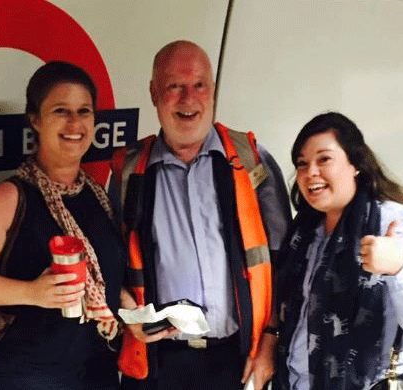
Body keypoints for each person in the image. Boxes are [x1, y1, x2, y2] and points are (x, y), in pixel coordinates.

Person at [110, 40, 291, 390]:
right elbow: (112, 261)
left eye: (198, 85)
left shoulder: (251, 159)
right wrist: (125, 309)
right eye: (174, 86)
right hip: (158, 364)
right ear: (153, 93)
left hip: (236, 361)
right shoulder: (128, 170)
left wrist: (271, 341)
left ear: (212, 90)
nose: (187, 99)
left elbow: (285, 262)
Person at [0, 61, 125, 390]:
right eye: (61, 111)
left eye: (85, 111)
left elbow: (102, 275)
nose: (75, 123)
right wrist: (31, 292)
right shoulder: (10, 198)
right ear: (35, 120)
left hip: (96, 372)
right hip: (27, 377)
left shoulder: (97, 194)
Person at [272, 112, 403, 389]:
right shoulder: (303, 234)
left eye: (324, 159)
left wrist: (399, 266)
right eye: (302, 163)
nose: (311, 173)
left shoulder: (397, 225)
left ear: (355, 163)